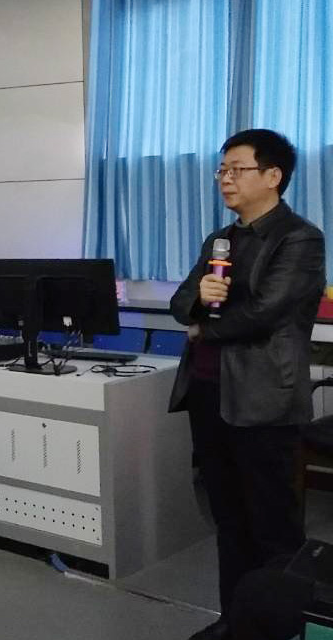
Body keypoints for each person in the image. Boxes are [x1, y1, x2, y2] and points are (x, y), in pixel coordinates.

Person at [168, 129, 325, 640]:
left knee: (272, 525)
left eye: (237, 169)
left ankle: (279, 629)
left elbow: (266, 313)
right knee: (229, 521)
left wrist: (204, 328)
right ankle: (234, 621)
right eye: (222, 170)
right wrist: (198, 299)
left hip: (263, 400)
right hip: (208, 395)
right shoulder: (220, 239)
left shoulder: (299, 238)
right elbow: (180, 302)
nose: (225, 179)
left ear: (273, 175)